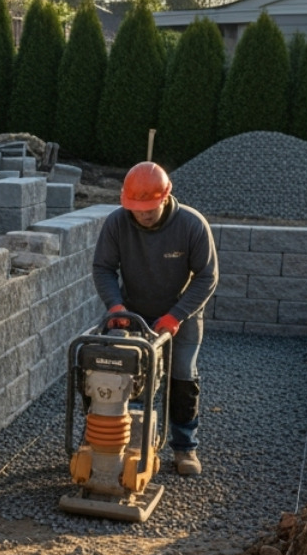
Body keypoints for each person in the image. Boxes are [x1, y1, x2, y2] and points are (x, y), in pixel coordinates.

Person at [92, 161, 219, 476]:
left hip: (180, 313)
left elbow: (207, 276)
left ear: (166, 197)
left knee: (182, 375)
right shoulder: (117, 224)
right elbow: (103, 267)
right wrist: (115, 306)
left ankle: (185, 448)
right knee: (113, 370)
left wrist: (176, 316)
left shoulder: (191, 225)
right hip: (131, 312)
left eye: (149, 207)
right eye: (137, 208)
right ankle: (105, 442)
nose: (143, 213)